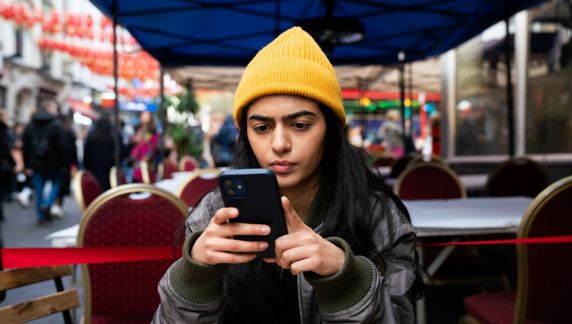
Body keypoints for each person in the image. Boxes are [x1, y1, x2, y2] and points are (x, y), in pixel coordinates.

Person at [153, 27, 422, 323]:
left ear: (331, 131)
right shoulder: (213, 216)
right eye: (262, 128)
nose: (280, 144)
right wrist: (194, 278)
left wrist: (346, 279)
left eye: (300, 125)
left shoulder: (378, 218)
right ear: (246, 135)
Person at [22, 100, 66, 225]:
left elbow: (26, 147)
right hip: (54, 163)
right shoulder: (56, 125)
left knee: (39, 189)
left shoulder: (31, 125)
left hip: (36, 163)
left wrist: (27, 165)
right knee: (56, 183)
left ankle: (41, 215)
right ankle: (47, 204)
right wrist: (64, 163)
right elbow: (62, 146)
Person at [83, 116, 120, 191]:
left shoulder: (91, 136)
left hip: (93, 167)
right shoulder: (112, 135)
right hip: (108, 168)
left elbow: (86, 154)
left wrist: (86, 167)